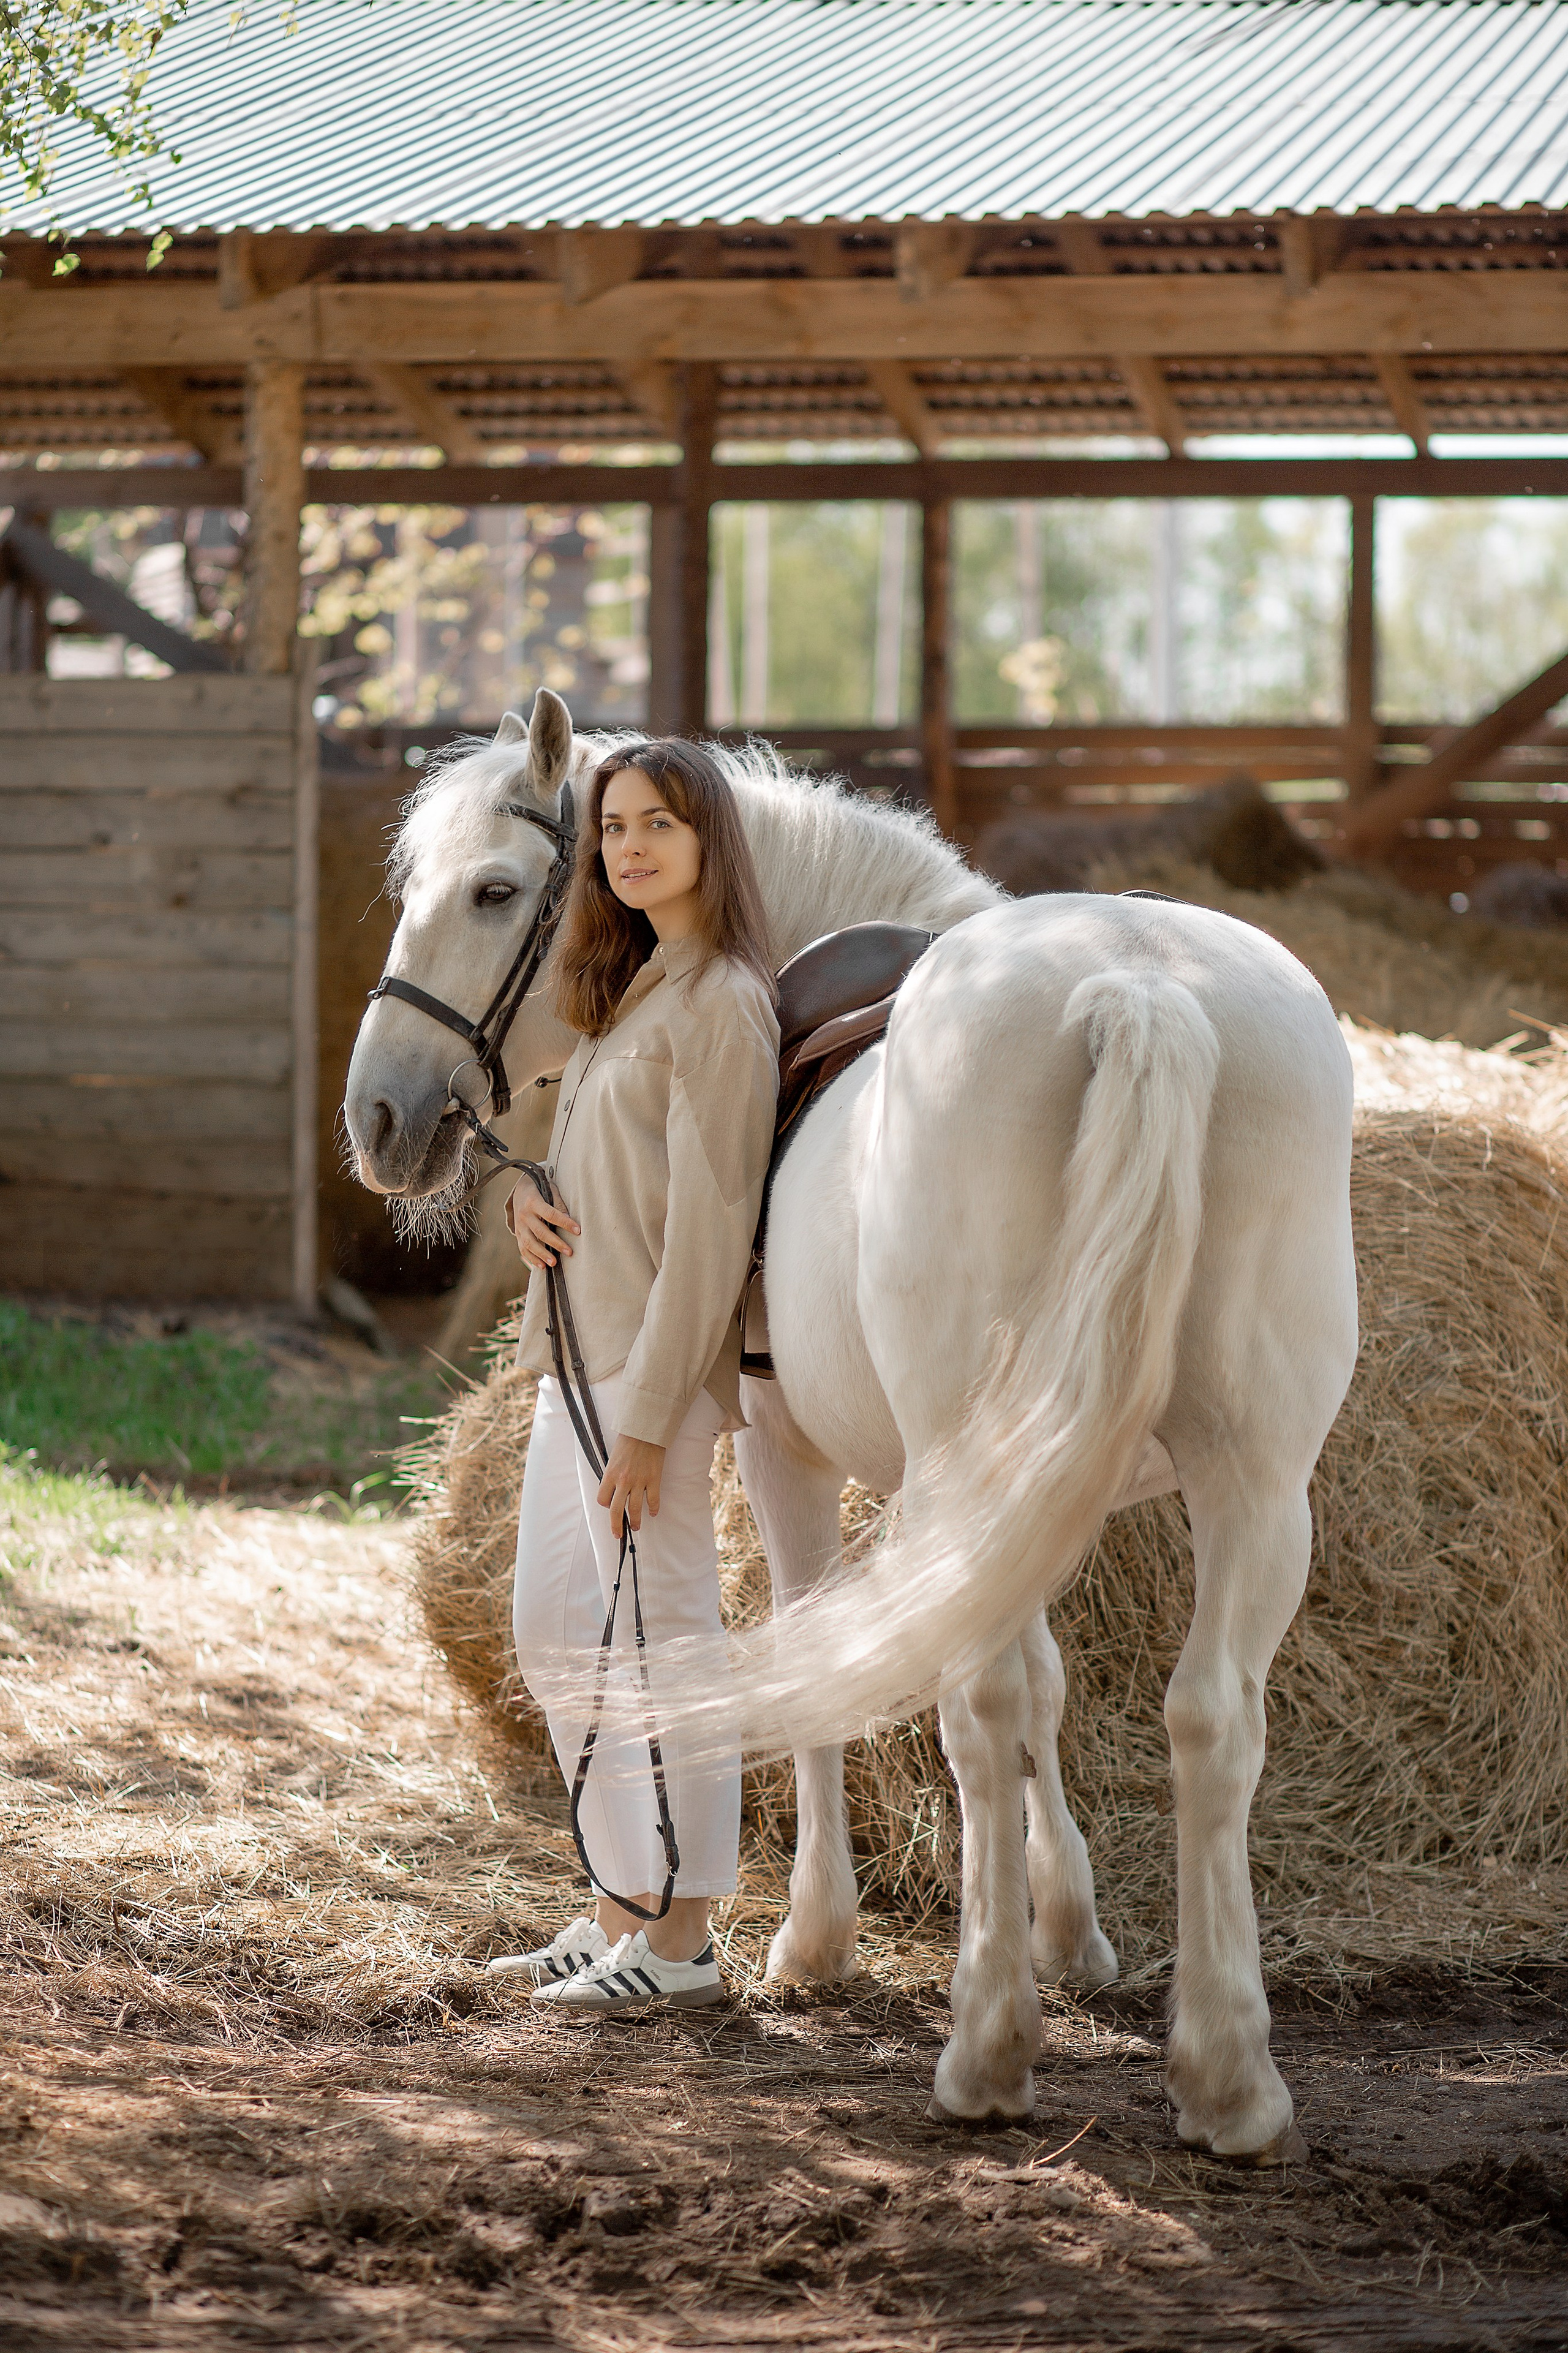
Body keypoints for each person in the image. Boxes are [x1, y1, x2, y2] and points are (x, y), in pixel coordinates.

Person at [489, 739, 779, 2011]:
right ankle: (618, 1908)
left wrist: (656, 1423)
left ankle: (681, 1947)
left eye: (657, 822)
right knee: (555, 1631)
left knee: (664, 1647)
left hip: (644, 1385)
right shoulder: (632, 994)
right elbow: (599, 1176)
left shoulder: (722, 1004)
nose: (629, 846)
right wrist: (525, 1203)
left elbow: (709, 1232)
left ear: (708, 837)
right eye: (612, 828)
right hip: (576, 1360)